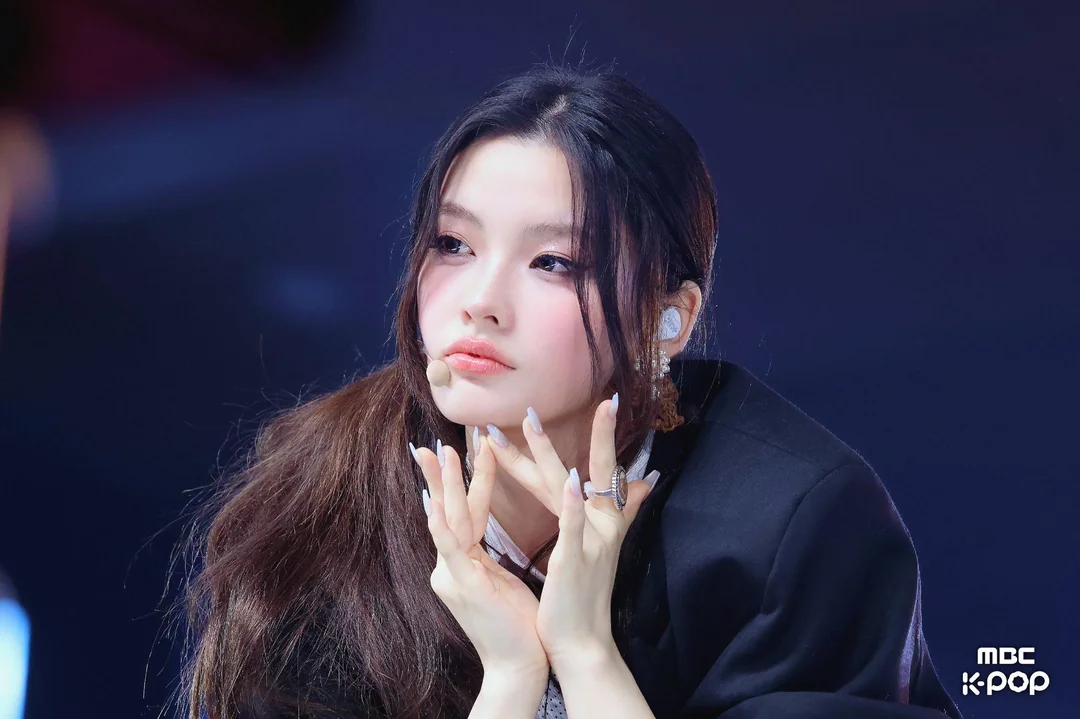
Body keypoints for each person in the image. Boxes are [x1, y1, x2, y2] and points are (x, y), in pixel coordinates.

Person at [181, 65, 964, 719]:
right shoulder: (321, 491)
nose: (480, 300)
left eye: (552, 262)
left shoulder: (794, 521)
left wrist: (586, 655)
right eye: (453, 244)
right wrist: (512, 678)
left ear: (667, 319)